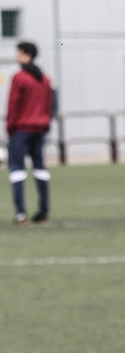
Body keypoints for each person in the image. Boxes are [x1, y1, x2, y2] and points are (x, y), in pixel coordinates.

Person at [6, 41, 55, 225]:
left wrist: (10, 128)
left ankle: (20, 213)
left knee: (17, 170)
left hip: (22, 129)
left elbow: (13, 105)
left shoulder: (19, 78)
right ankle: (43, 211)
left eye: (18, 53)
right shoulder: (45, 78)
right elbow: (50, 105)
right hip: (40, 129)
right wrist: (46, 123)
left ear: (27, 55)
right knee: (40, 168)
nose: (16, 56)